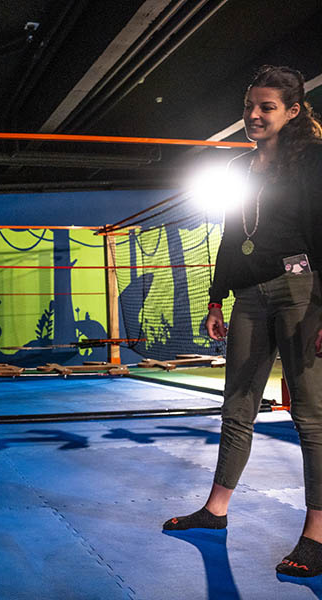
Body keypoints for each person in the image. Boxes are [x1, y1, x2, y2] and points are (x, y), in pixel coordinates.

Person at [163, 65, 322, 576]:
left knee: (311, 414)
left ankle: (317, 533)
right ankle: (215, 511)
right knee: (237, 404)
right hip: (249, 294)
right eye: (250, 105)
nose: (254, 115)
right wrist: (214, 298)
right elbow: (232, 238)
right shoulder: (239, 169)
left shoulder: (313, 161)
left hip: (302, 287)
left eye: (267, 107)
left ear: (293, 111)